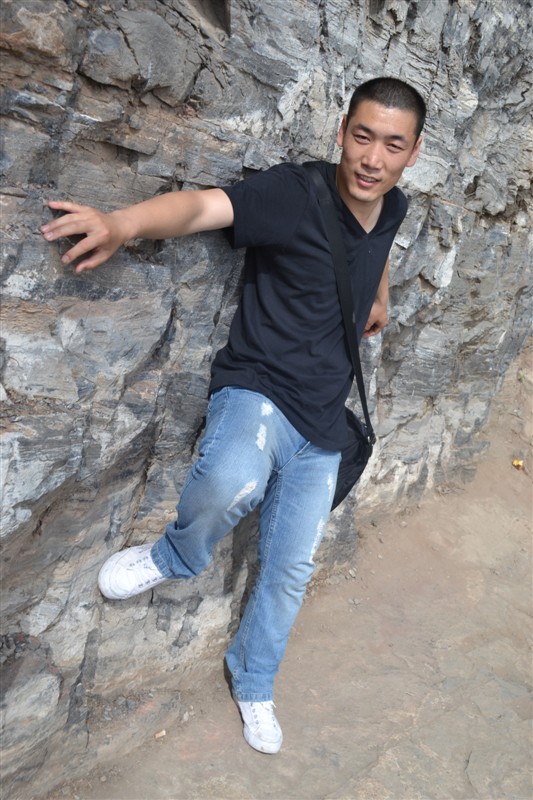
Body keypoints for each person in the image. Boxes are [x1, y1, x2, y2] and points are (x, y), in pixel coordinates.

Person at [41, 77, 425, 754]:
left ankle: (254, 680)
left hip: (322, 419)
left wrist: (378, 296)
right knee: (229, 482)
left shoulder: (391, 203)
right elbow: (202, 207)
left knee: (290, 569)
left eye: (392, 146)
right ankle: (172, 554)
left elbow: (376, 244)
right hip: (259, 389)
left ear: (412, 153)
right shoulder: (294, 194)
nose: (373, 159)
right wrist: (122, 224)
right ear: (341, 132)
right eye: (362, 137)